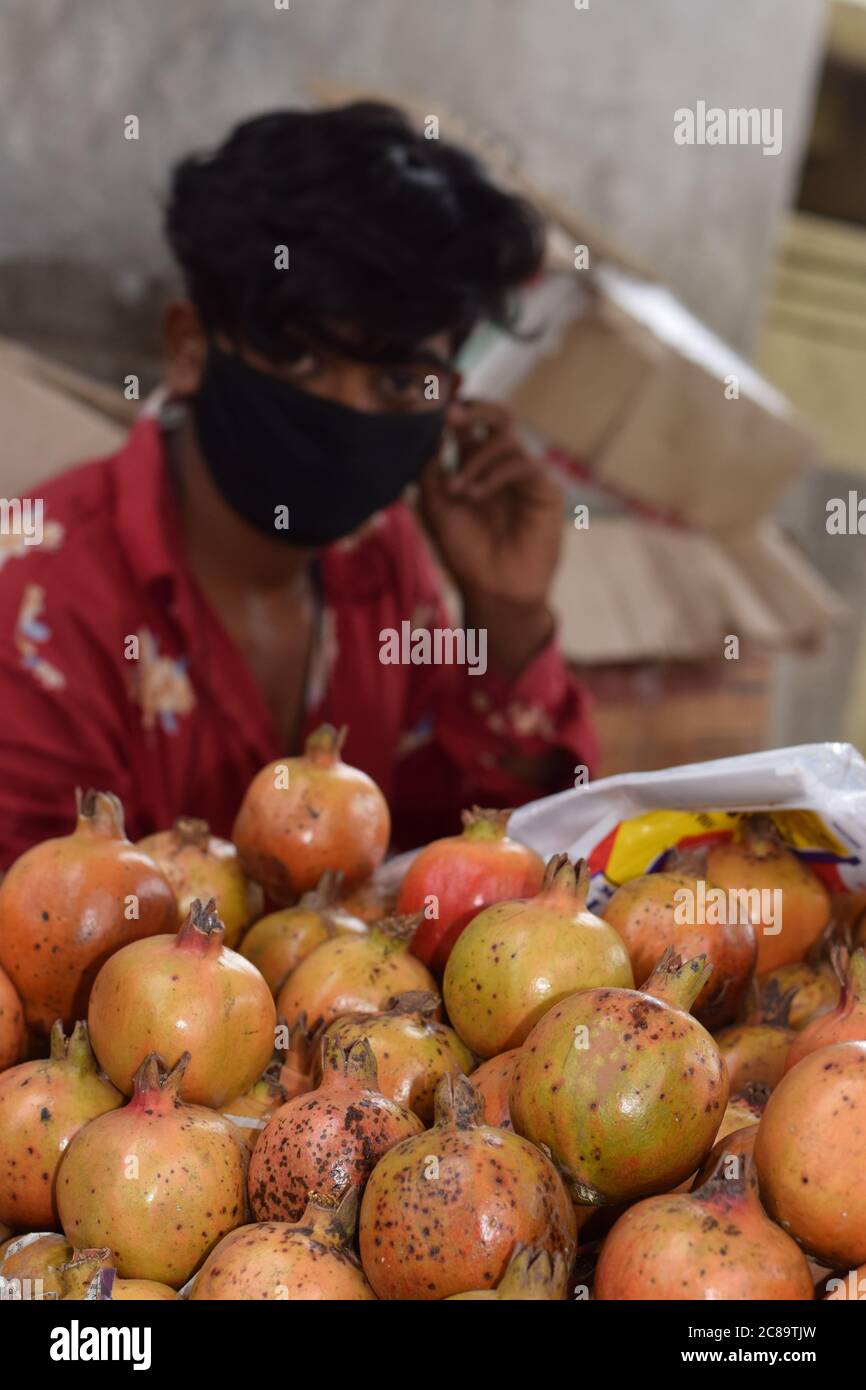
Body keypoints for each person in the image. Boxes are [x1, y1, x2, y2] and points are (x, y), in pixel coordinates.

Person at [0, 101, 597, 868]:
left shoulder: (380, 558)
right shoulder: (39, 607)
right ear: (188, 347)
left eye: (398, 381)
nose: (348, 412)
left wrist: (508, 616)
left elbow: (477, 866)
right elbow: (36, 939)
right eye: (302, 360)